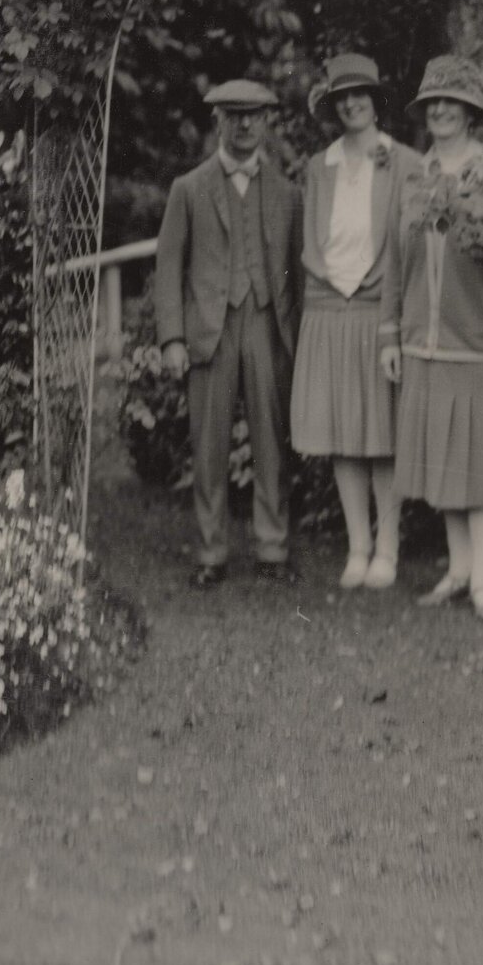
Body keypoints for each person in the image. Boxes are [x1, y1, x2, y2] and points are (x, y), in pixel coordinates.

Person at [379, 55, 483, 619]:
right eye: (433, 102)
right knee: (446, 461)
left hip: (482, 340)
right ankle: (456, 569)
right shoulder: (415, 176)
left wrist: (479, 224)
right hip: (426, 342)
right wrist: (392, 334)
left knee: (482, 463)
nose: (441, 109)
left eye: (452, 101)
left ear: (472, 112)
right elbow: (396, 262)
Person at [156, 78, 303, 588]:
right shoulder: (189, 188)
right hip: (210, 330)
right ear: (217, 121)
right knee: (210, 445)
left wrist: (299, 339)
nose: (244, 125)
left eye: (254, 116)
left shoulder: (287, 192)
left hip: (267, 325)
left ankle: (272, 546)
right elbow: (169, 266)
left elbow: (296, 271)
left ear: (267, 123)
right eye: (234, 115)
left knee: (271, 441)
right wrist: (173, 338)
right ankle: (211, 552)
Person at [290, 54, 421, 590]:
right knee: (344, 435)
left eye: (360, 93)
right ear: (333, 106)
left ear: (376, 99)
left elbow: (411, 249)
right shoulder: (318, 168)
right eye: (342, 97)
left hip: (378, 311)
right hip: (329, 310)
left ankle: (387, 550)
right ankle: (357, 547)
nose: (351, 103)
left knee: (382, 435)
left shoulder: (406, 162)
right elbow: (310, 243)